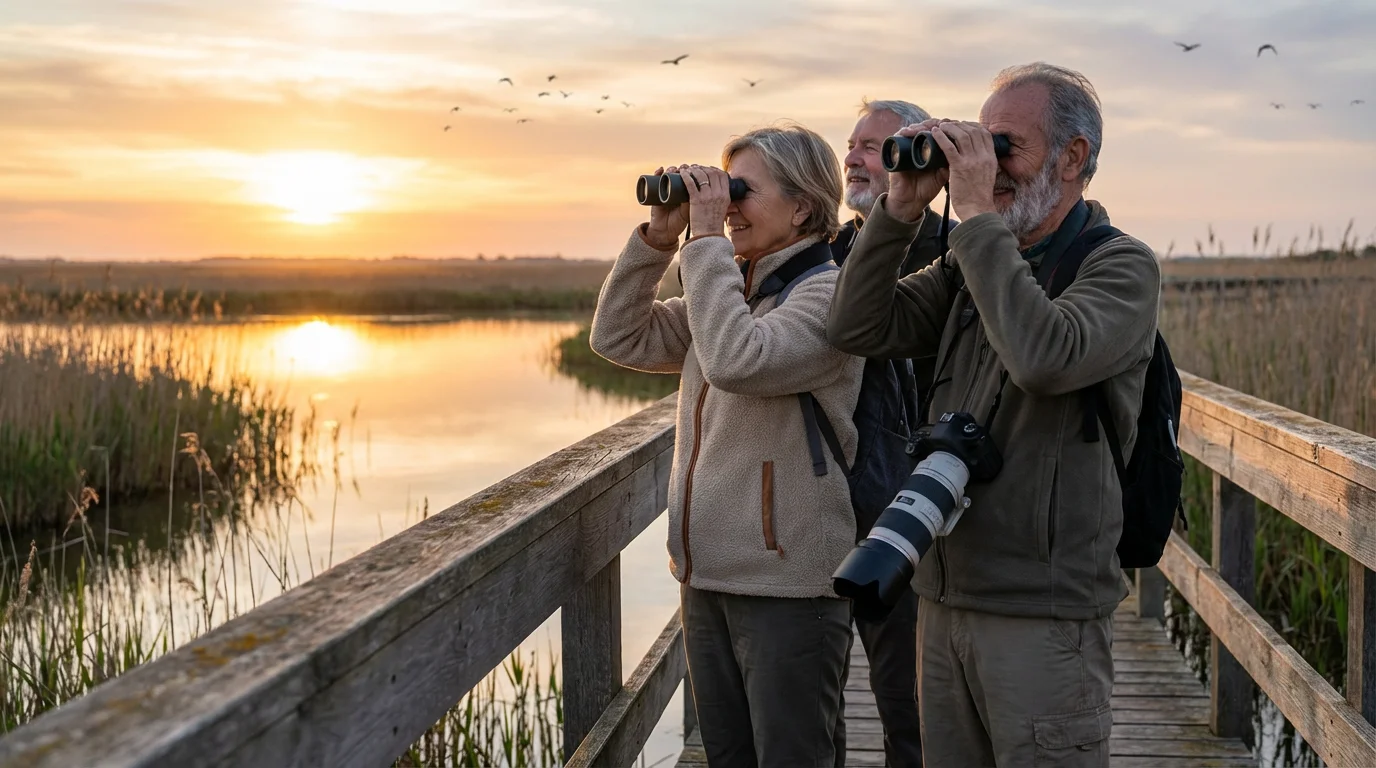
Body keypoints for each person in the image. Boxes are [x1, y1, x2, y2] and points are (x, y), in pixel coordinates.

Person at [826, 63, 1162, 766]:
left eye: (1004, 145)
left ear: (1073, 158)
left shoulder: (1120, 267)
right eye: (977, 143)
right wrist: (898, 210)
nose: (986, 163)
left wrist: (976, 216)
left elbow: (1044, 356)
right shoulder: (968, 266)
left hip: (1044, 615)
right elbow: (857, 327)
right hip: (943, 595)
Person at [590, 123, 863, 767]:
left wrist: (707, 240)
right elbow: (618, 338)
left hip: (790, 585)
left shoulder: (830, 294)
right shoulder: (733, 293)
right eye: (722, 189)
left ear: (802, 207)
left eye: (741, 190)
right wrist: (659, 239)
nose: (729, 204)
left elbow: (739, 361)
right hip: (707, 575)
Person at [830, 97, 946, 768]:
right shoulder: (835, 247)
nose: (853, 157)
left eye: (874, 146)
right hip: (826, 504)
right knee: (817, 697)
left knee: (908, 702)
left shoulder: (948, 247)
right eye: (850, 144)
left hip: (908, 513)